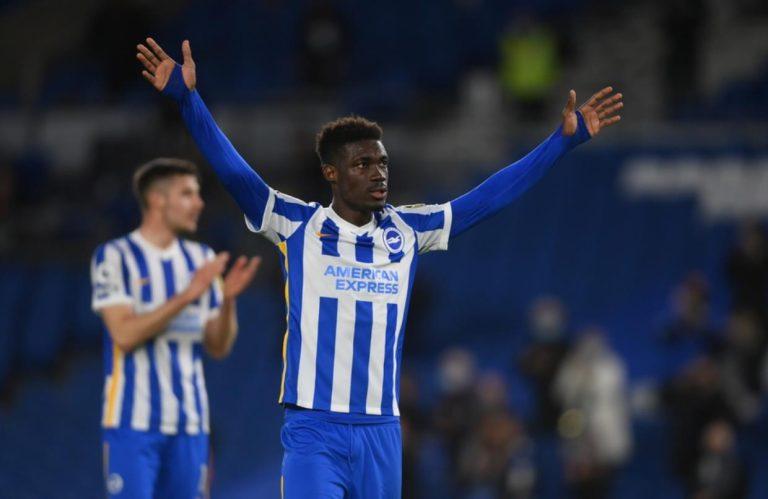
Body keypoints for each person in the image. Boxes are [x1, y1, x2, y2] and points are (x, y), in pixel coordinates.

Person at [135, 37, 623, 499]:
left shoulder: (407, 230)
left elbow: (490, 197)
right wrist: (188, 102)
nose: (378, 173)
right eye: (363, 164)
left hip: (382, 430)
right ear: (331, 173)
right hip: (314, 428)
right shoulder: (297, 224)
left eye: (382, 163)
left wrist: (559, 143)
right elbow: (234, 172)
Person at [91, 157, 260, 498]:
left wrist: (227, 301)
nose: (199, 203)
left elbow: (218, 346)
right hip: (132, 424)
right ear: (157, 200)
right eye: (187, 194)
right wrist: (187, 296)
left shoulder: (201, 259)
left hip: (191, 424)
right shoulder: (115, 256)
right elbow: (124, 335)